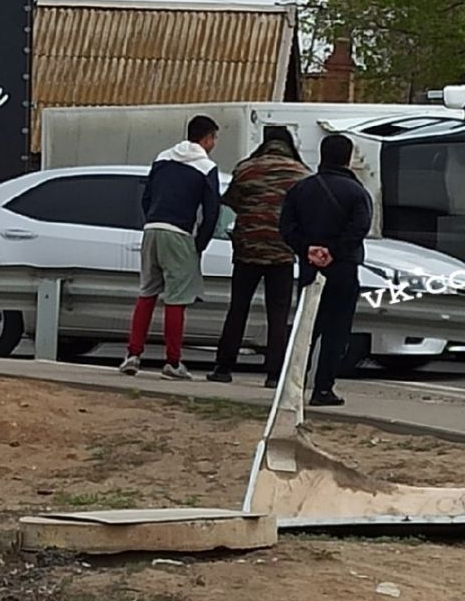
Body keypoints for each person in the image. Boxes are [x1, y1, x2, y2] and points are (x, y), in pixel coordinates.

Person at [119, 115, 221, 380]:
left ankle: (133, 354)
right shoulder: (206, 167)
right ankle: (173, 362)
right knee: (176, 299)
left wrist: (151, 219)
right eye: (214, 138)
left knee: (147, 292)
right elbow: (212, 213)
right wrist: (199, 245)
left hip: (152, 229)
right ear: (207, 138)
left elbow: (147, 196)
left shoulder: (162, 158)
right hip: (179, 234)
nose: (214, 144)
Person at [207, 127, 310, 386]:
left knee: (238, 308)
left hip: (247, 251)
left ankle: (224, 367)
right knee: (278, 313)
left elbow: (231, 202)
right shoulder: (302, 173)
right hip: (282, 253)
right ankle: (275, 373)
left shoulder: (246, 169)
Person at [279, 133, 373, 406]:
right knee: (336, 330)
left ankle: (292, 386)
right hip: (343, 268)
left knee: (305, 328)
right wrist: (334, 251)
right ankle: (323, 388)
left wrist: (307, 248)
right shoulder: (357, 192)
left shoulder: (301, 189)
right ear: (348, 157)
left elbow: (286, 227)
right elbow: (359, 229)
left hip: (309, 267)